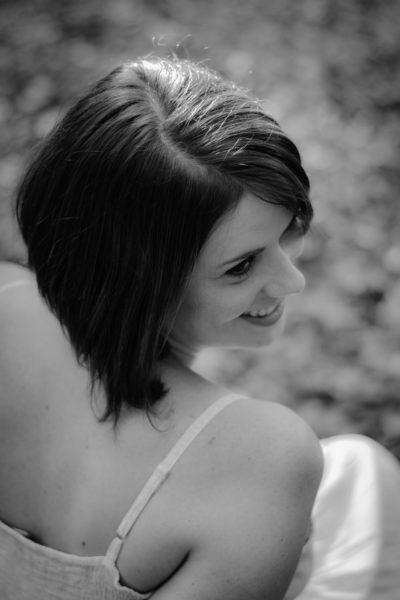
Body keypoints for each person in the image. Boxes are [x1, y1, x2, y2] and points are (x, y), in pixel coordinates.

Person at [0, 56, 398, 600]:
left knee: (352, 473)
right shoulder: (267, 454)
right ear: (136, 280)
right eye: (241, 266)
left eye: (290, 229)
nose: (293, 280)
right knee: (367, 479)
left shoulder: (7, 300)